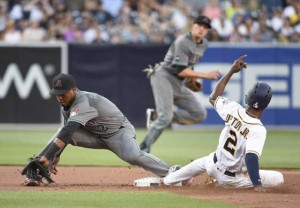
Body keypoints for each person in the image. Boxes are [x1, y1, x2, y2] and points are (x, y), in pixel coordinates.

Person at [23, 73, 171, 186]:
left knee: (133, 156)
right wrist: (56, 155)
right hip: (94, 135)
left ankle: (172, 172)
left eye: (63, 93)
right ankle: (39, 173)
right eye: (57, 94)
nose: (60, 97)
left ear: (74, 90)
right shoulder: (66, 108)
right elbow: (66, 133)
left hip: (118, 133)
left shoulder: (83, 101)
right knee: (61, 131)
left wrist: (49, 154)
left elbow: (69, 131)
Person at [163, 55, 284, 192]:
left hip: (211, 163)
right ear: (265, 106)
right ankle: (215, 182)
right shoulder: (258, 129)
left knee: (169, 180)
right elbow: (251, 157)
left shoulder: (234, 109)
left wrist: (231, 71)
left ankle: (173, 178)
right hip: (230, 180)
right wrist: (257, 185)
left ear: (248, 98)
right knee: (278, 178)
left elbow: (213, 97)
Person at [139, 15, 220, 153]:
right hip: (163, 76)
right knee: (166, 117)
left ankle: (156, 116)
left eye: (205, 27)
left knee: (199, 114)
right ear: (193, 25)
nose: (202, 29)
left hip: (178, 82)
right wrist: (205, 75)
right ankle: (142, 150)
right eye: (199, 25)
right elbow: (181, 70)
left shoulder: (203, 44)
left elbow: (189, 64)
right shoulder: (182, 41)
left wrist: (192, 81)